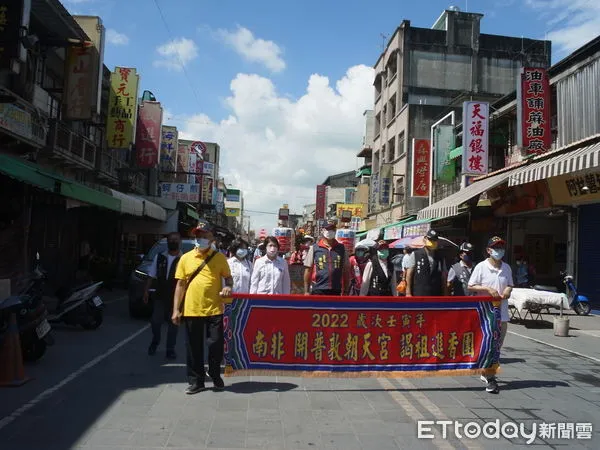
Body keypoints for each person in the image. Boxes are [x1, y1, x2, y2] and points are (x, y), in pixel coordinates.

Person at [172, 219, 233, 395]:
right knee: (193, 347)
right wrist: (176, 309)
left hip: (214, 309)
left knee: (215, 344)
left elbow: (228, 278)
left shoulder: (220, 258)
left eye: (204, 235)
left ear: (211, 237)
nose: (201, 238)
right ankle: (196, 381)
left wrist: (228, 286)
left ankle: (214, 374)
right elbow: (180, 285)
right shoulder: (185, 258)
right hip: (192, 309)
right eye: (198, 235)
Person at [468, 236, 514, 395]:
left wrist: (508, 289)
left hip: (501, 314)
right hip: (485, 313)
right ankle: (490, 377)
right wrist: (487, 289)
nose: (499, 250)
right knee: (488, 344)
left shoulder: (506, 268)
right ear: (488, 250)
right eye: (496, 247)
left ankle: (487, 372)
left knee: (497, 345)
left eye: (501, 247)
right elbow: (471, 286)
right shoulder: (481, 267)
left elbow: (509, 283)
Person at [145, 232, 182, 359]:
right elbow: (151, 275)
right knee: (155, 321)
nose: (173, 242)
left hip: (176, 297)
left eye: (175, 240)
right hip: (160, 295)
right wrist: (146, 291)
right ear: (167, 241)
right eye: (171, 239)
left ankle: (170, 349)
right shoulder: (159, 257)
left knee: (173, 324)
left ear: (179, 242)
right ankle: (155, 341)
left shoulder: (184, 259)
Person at [303, 220, 350, 295]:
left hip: (336, 290)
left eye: (332, 229)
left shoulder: (342, 248)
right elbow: (308, 270)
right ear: (322, 230)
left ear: (335, 231)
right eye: (327, 229)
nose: (329, 231)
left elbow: (346, 271)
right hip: (318, 289)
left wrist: (346, 291)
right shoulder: (315, 248)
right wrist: (306, 291)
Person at [405, 229, 446, 297]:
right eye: (430, 239)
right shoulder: (415, 254)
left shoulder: (440, 257)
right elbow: (409, 274)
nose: (432, 242)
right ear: (425, 239)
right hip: (419, 293)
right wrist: (408, 293)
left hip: (436, 294)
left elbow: (443, 277)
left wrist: (445, 294)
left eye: (434, 240)